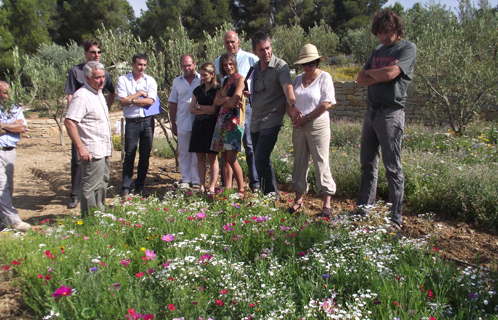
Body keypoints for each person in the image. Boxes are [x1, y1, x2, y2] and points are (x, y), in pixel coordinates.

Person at [354, 9, 417, 231]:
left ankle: (395, 219)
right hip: (371, 111)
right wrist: (377, 73)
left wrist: (374, 73)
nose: (383, 37)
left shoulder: (407, 48)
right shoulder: (378, 50)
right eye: (379, 33)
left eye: (386, 32)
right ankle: (363, 210)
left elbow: (391, 75)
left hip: (391, 113)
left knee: (393, 167)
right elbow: (360, 78)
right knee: (367, 164)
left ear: (396, 28)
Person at [64, 39, 115, 209]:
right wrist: (80, 147)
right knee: (90, 186)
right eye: (97, 78)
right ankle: (89, 219)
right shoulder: (82, 96)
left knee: (102, 183)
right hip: (91, 149)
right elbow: (69, 121)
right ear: (87, 77)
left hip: (103, 148)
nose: (102, 81)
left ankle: (99, 213)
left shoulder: (98, 93)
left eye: (103, 77)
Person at [288, 44, 337, 218]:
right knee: (299, 162)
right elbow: (290, 103)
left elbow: (326, 103)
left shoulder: (324, 77)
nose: (308, 67)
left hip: (317, 124)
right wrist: (293, 117)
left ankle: (326, 204)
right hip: (299, 126)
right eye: (305, 64)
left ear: (317, 62)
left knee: (321, 161)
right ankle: (298, 199)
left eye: (311, 63)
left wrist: (307, 118)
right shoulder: (297, 79)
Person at [249, 31, 298, 199]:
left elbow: (287, 86)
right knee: (260, 159)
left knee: (261, 157)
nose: (266, 52)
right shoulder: (254, 68)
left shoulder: (280, 66)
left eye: (268, 48)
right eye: (261, 50)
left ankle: (270, 196)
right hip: (255, 121)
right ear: (255, 51)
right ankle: (269, 193)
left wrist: (292, 103)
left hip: (271, 119)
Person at [215, 31, 260, 193]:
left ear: (239, 41)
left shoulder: (251, 58)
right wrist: (227, 100)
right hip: (224, 116)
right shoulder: (219, 65)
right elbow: (218, 97)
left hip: (243, 109)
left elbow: (259, 78)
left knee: (249, 145)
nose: (230, 44)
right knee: (226, 153)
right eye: (227, 42)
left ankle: (254, 183)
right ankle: (227, 186)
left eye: (232, 41)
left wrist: (250, 93)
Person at [117, 53, 158, 197]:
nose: (142, 68)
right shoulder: (123, 80)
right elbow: (122, 101)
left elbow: (150, 101)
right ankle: (126, 188)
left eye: (144, 65)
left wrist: (132, 100)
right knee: (129, 155)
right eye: (140, 64)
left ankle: (140, 185)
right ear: (133, 64)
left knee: (145, 155)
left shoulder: (150, 80)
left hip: (147, 121)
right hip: (132, 122)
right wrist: (140, 93)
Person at [211, 53, 246, 198]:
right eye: (225, 65)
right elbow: (216, 101)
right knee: (224, 158)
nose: (228, 67)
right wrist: (227, 99)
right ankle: (228, 188)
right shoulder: (225, 81)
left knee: (231, 158)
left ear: (235, 63)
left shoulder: (240, 79)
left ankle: (241, 190)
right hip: (222, 121)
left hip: (234, 122)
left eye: (230, 63)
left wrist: (225, 100)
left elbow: (233, 103)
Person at [0, 81, 31, 231]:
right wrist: (13, 125)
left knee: (8, 186)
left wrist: (3, 126)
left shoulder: (14, 108)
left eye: (10, 92)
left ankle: (3, 222)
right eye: (5, 93)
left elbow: (22, 127)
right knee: (1, 186)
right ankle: (15, 220)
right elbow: (17, 126)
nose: (9, 95)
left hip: (10, 150)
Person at [169, 54, 201, 189]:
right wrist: (173, 123)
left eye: (189, 65)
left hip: (199, 121)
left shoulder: (202, 79)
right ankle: (186, 179)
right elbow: (173, 102)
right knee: (184, 152)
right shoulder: (177, 81)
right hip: (182, 121)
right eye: (184, 65)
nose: (186, 68)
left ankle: (196, 179)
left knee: (197, 152)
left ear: (194, 64)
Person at [188, 62, 220, 194]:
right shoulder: (197, 90)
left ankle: (212, 186)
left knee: (212, 157)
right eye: (201, 74)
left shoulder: (218, 89)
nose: (202, 77)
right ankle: (201, 185)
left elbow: (214, 110)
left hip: (212, 126)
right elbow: (191, 109)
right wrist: (203, 110)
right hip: (198, 125)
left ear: (212, 75)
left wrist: (199, 107)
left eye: (205, 75)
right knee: (200, 158)